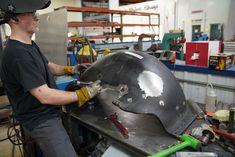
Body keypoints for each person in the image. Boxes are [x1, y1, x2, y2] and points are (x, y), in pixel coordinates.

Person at [0, 0, 101, 157]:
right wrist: (82, 94)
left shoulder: (29, 45)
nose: (37, 17)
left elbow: (49, 66)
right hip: (41, 120)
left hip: (50, 113)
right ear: (14, 19)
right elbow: (44, 95)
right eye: (32, 13)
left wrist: (70, 69)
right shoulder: (17, 54)